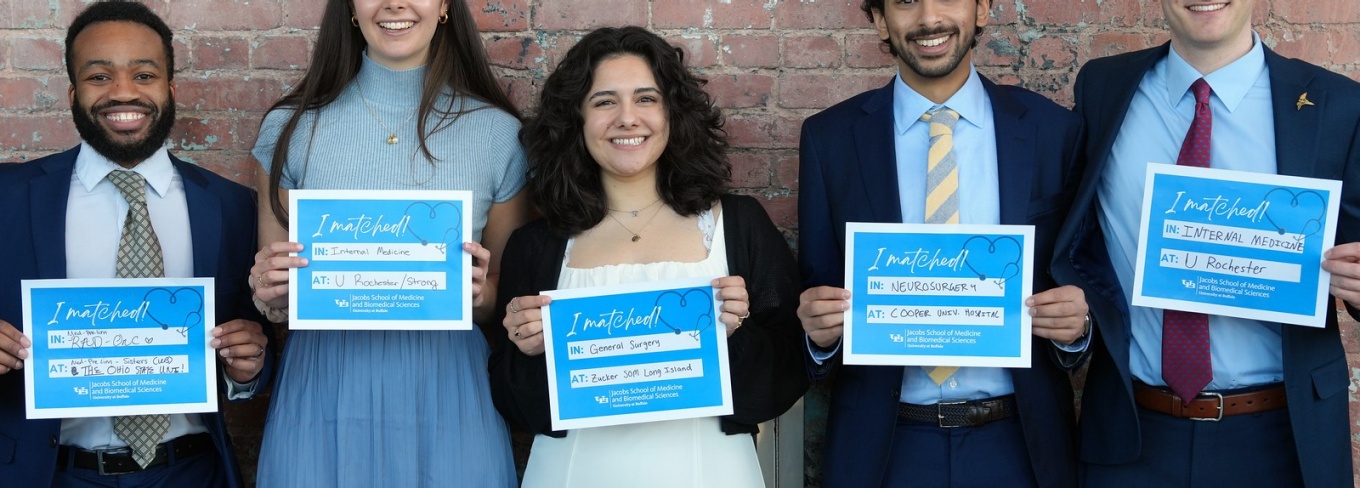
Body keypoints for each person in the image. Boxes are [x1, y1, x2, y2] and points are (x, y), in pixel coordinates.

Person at [1052, 0, 1360, 485]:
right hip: (1133, 435)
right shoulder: (1102, 88)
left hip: (1282, 437)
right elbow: (1075, 239)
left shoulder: (1336, 104)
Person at [489, 26, 808, 488]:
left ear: (672, 113)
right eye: (604, 102)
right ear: (575, 120)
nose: (626, 118)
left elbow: (788, 376)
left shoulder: (738, 225)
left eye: (645, 99)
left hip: (713, 473)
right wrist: (526, 351)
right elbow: (516, 406)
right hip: (573, 474)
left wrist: (737, 333)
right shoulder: (536, 245)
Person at [796, 0, 1091, 486]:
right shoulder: (831, 140)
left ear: (984, 9)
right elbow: (817, 291)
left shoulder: (1052, 132)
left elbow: (1083, 280)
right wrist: (818, 334)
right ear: (878, 18)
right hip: (885, 446)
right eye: (906, 1)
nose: (930, 18)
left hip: (1019, 442)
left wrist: (1077, 327)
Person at [246, 0, 529, 486]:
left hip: (448, 388)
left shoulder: (500, 134)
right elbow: (279, 301)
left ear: (443, 7)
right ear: (351, 9)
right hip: (324, 385)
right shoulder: (289, 127)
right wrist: (268, 293)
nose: (395, 3)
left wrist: (482, 294)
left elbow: (508, 300)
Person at [0, 1, 273, 487]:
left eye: (143, 75)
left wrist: (248, 369)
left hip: (189, 471)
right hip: (49, 474)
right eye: (99, 77)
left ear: (170, 89)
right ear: (72, 92)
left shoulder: (233, 208)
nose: (123, 92)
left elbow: (257, 340)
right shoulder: (8, 197)